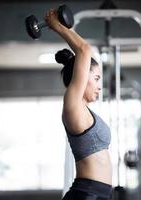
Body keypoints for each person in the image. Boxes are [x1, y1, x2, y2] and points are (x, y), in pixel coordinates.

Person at [44, 8, 113, 200]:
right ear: (81, 78)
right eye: (97, 78)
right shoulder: (72, 104)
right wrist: (56, 25)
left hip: (99, 194)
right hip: (87, 194)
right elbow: (84, 49)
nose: (100, 86)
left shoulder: (86, 111)